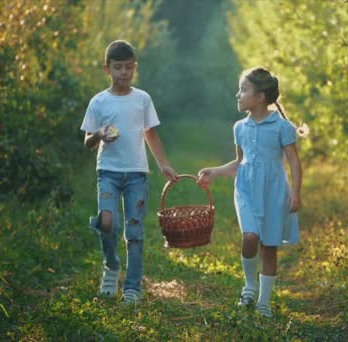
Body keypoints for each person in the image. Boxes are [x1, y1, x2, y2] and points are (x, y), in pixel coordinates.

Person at [198, 67, 302, 317]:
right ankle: (250, 286)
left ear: (260, 97)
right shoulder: (239, 128)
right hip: (246, 189)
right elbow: (239, 163)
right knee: (250, 236)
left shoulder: (282, 127)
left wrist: (296, 193)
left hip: (274, 191)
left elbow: (294, 162)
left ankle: (264, 302)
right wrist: (214, 171)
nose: (238, 94)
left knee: (269, 246)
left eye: (244, 90)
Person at [80, 40, 177, 304]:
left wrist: (164, 165)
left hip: (136, 174)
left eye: (128, 67)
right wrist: (100, 134)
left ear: (135, 68)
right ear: (107, 69)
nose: (123, 72)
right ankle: (111, 266)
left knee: (134, 231)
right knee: (108, 223)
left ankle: (133, 287)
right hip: (108, 172)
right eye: (118, 67)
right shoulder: (99, 102)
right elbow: (88, 142)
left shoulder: (142, 99)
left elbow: (151, 134)